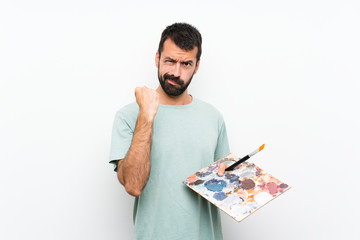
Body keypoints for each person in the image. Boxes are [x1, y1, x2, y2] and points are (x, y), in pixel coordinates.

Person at [109, 22, 230, 240]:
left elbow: (226, 190)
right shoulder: (129, 116)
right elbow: (133, 185)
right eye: (170, 61)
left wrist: (236, 178)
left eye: (186, 64)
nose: (176, 72)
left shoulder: (213, 117)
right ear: (157, 58)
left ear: (197, 66)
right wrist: (146, 115)